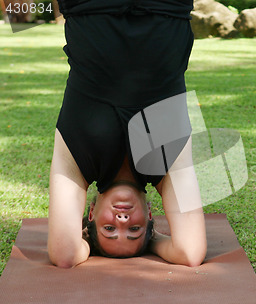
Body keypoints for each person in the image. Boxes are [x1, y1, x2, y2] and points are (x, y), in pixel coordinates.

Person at [47, 0, 207, 268]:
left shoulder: (77, 164)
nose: (122, 222)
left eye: (108, 230)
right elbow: (189, 253)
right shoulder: (166, 165)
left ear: (91, 214)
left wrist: (87, 242)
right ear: (149, 215)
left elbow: (65, 254)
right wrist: (152, 240)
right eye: (135, 231)